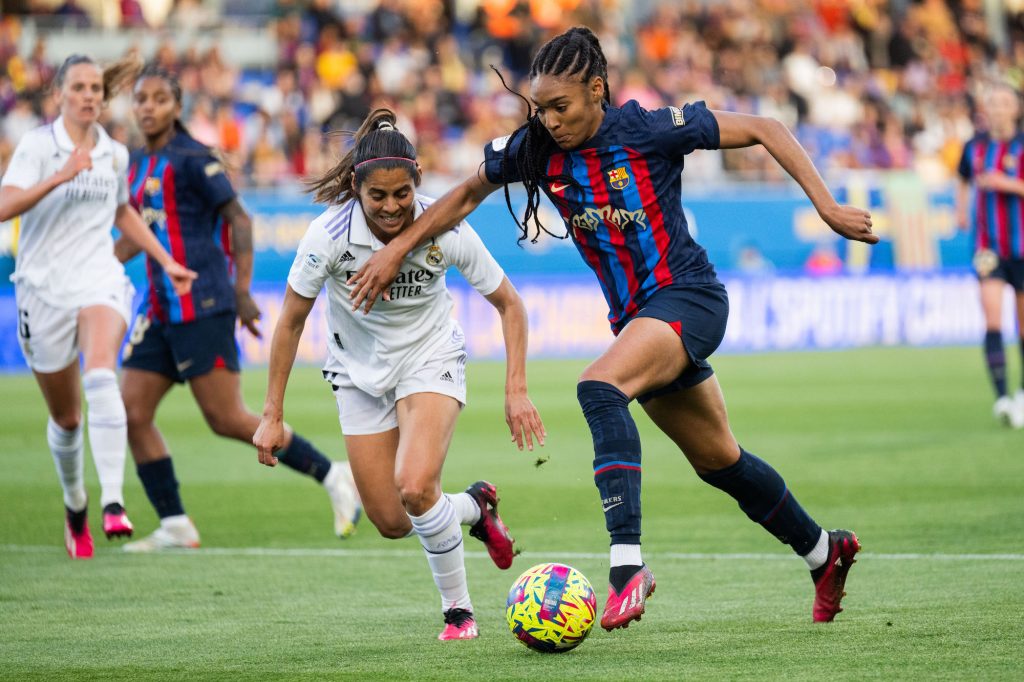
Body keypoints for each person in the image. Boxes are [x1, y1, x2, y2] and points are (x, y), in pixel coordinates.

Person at [348, 27, 879, 629]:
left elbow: (766, 127)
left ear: (596, 89)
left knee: (599, 388)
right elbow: (466, 194)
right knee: (719, 461)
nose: (548, 120)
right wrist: (397, 250)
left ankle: (627, 568)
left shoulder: (650, 130)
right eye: (539, 108)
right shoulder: (536, 149)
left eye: (560, 106)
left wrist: (827, 206)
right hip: (638, 321)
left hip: (690, 297)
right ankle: (823, 551)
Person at [253, 109, 545, 640]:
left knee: (414, 486)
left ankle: (458, 611)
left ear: (416, 182)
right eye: (378, 197)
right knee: (390, 520)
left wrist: (516, 388)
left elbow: (511, 305)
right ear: (356, 191)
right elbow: (292, 320)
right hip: (356, 372)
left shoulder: (445, 226)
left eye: (402, 194)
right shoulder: (327, 236)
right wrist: (272, 414)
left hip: (429, 358)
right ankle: (475, 508)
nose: (391, 207)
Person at [112, 65, 361, 552]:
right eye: (140, 98)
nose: (147, 107)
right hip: (160, 306)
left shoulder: (193, 159)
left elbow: (239, 219)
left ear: (176, 106)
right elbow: (142, 231)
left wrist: (242, 292)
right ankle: (175, 523)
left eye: (158, 99)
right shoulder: (137, 161)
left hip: (203, 301)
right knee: (131, 410)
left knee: (227, 418)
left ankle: (333, 474)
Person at [0, 54, 197, 559]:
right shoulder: (39, 147)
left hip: (98, 278)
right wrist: (61, 176)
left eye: (95, 88)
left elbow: (122, 212)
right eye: (79, 87)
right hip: (42, 287)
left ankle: (113, 501)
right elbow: (5, 206)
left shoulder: (113, 153)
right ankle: (75, 502)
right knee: (66, 419)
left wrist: (165, 259)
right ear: (60, 95)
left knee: (103, 374)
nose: (89, 95)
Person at [956, 83, 1024, 429]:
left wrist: (1007, 184)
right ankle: (1001, 397)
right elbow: (963, 178)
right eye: (992, 103)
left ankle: (1022, 394)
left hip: (1023, 246)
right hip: (988, 246)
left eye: (1004, 103)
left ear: (1016, 109)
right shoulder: (975, 145)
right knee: (993, 318)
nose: (997, 109)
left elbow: (1001, 183)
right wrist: (960, 210)